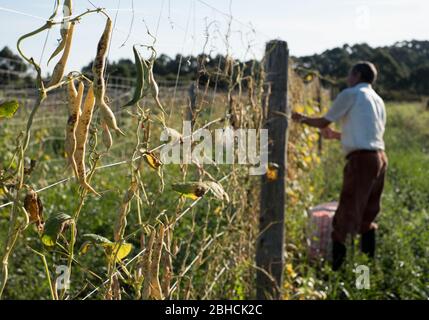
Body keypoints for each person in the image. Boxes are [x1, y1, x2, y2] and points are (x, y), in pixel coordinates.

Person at [292, 61, 388, 270]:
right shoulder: (377, 99)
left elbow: (324, 121)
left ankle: (336, 273)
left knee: (344, 218)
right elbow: (367, 132)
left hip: (361, 161)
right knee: (367, 218)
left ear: (357, 74)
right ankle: (365, 277)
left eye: (349, 74)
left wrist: (299, 118)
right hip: (379, 158)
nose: (347, 78)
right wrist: (337, 136)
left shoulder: (351, 94)